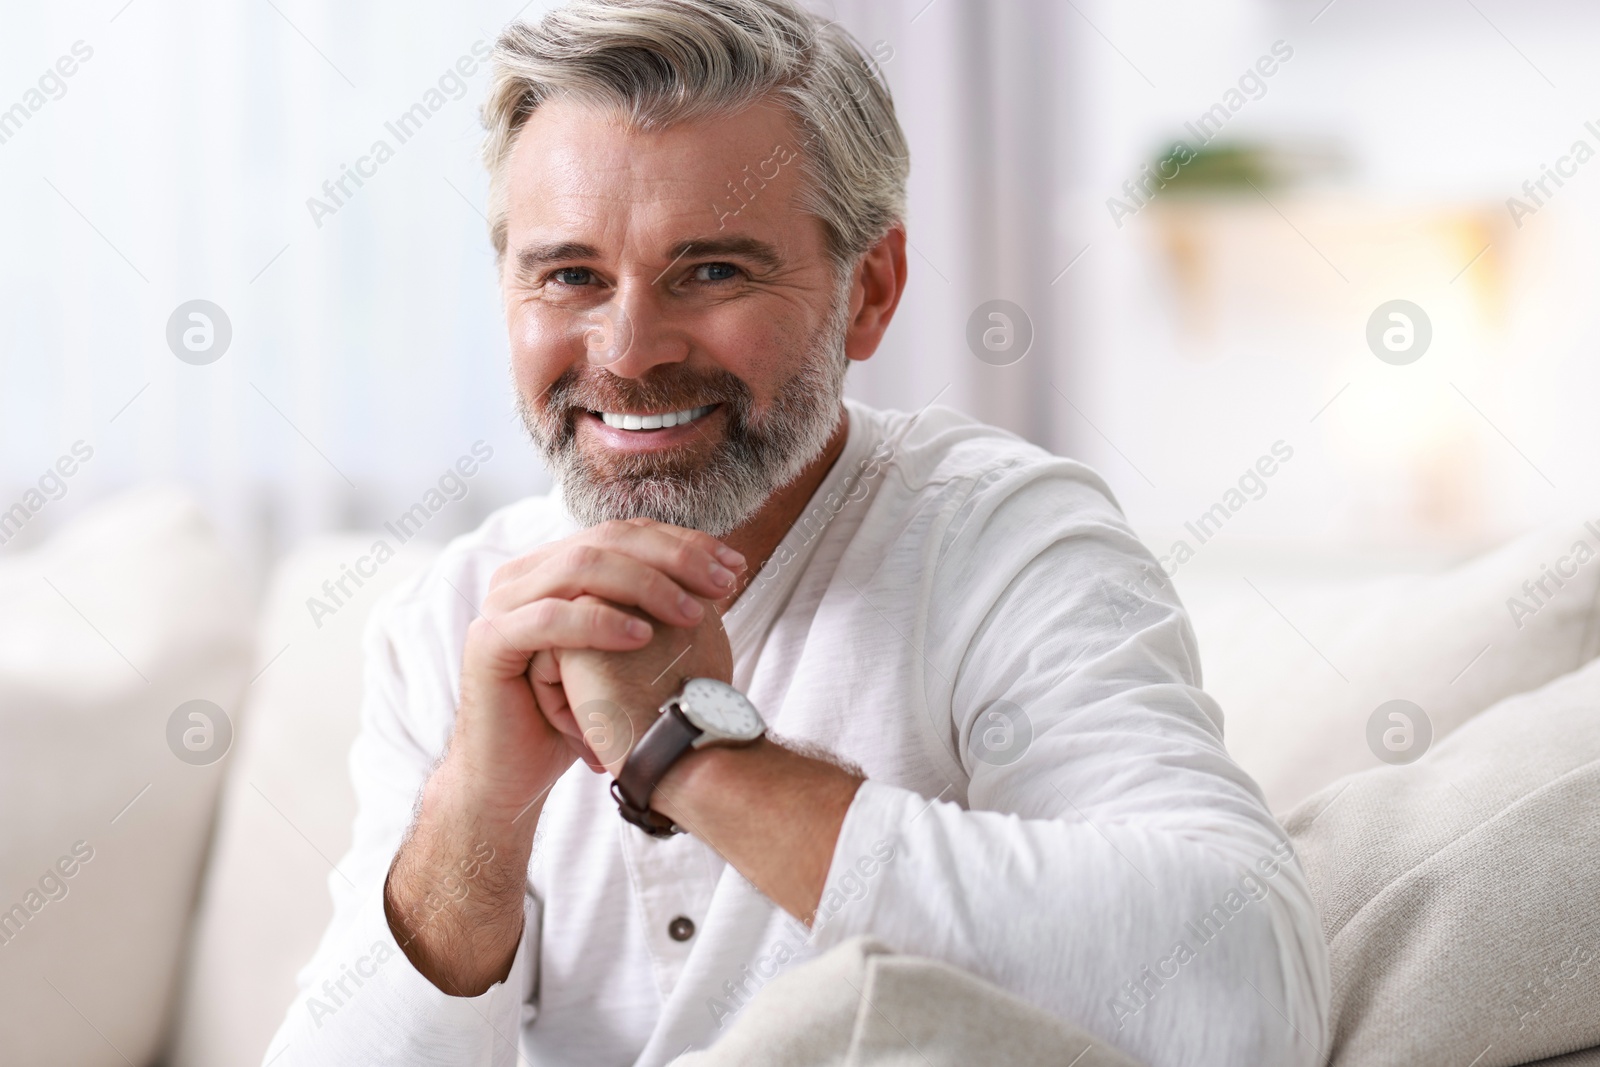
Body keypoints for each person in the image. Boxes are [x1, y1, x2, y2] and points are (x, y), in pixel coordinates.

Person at [264, 1, 1328, 1064]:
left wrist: (684, 751)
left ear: (869, 291)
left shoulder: (1002, 543)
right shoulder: (459, 612)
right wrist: (477, 806)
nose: (628, 351)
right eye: (571, 275)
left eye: (713, 271)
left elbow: (1248, 994)